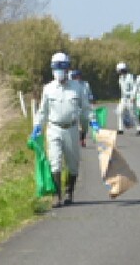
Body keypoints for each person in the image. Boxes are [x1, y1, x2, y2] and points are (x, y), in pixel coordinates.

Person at [31, 53, 95, 208]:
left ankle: (69, 192)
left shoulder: (77, 88)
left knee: (73, 164)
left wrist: (93, 122)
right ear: (53, 69)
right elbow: (43, 111)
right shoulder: (48, 89)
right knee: (55, 162)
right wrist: (37, 127)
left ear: (68, 69)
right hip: (54, 128)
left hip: (71, 128)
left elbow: (86, 109)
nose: (60, 70)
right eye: (57, 67)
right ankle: (56, 195)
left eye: (63, 67)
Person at [69, 69, 95, 147]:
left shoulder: (86, 84)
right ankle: (79, 140)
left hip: (86, 108)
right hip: (76, 108)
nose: (76, 78)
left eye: (77, 76)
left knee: (85, 126)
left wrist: (91, 99)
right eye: (74, 77)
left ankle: (84, 137)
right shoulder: (71, 85)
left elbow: (90, 93)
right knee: (77, 125)